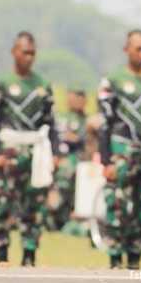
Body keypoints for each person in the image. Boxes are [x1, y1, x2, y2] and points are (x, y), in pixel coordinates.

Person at [0, 32, 59, 267]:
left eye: (32, 53)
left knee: (34, 206)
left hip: (34, 152)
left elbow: (51, 123)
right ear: (14, 52)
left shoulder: (42, 85)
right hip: (9, 152)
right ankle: (2, 253)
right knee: (2, 203)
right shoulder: (0, 83)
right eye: (24, 52)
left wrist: (55, 154)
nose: (28, 57)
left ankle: (29, 253)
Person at [97, 30, 141, 270]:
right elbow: (104, 124)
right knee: (118, 205)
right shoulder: (113, 81)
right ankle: (115, 257)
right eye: (138, 49)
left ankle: (135, 257)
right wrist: (106, 161)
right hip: (121, 150)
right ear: (127, 49)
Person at [49, 89, 88, 232]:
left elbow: (82, 141)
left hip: (74, 162)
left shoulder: (85, 120)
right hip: (55, 158)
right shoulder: (59, 116)